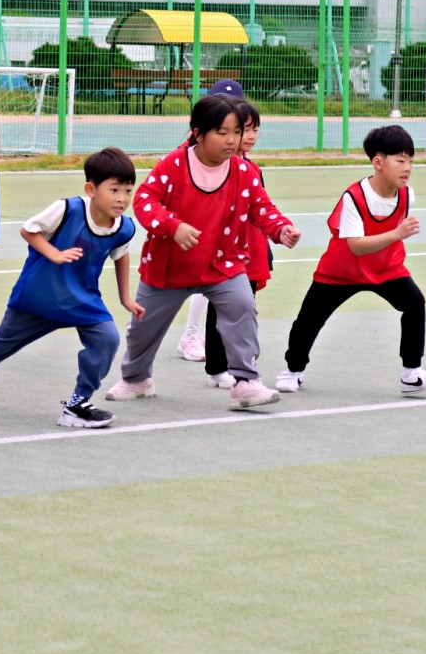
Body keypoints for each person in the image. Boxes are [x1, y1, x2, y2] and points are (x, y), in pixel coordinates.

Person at [105, 95, 300, 411]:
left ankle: (246, 383)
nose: (232, 140)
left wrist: (281, 229)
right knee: (144, 328)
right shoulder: (173, 165)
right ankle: (136, 378)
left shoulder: (244, 170)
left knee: (242, 305)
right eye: (222, 132)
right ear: (198, 132)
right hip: (169, 268)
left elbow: (261, 207)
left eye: (236, 132)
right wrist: (173, 226)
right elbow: (144, 201)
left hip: (222, 264)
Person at [0, 148, 142, 428]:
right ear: (91, 188)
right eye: (114, 189)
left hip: (83, 299)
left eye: (127, 190)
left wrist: (125, 297)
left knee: (107, 339)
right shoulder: (67, 209)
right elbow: (29, 229)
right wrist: (53, 253)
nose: (122, 198)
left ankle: (77, 404)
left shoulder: (124, 227)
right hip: (39, 296)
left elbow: (120, 253)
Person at [275, 125, 426, 398]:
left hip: (387, 268)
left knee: (415, 303)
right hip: (340, 272)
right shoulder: (353, 198)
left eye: (411, 161)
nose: (408, 167)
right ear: (378, 162)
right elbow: (356, 246)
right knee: (309, 320)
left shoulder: (406, 195)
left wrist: (395, 238)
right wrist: (396, 233)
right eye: (401, 160)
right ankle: (293, 371)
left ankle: (412, 374)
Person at [202, 99, 275, 389]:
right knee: (220, 309)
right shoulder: (217, 168)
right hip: (226, 249)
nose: (251, 136)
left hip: (252, 249)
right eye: (246, 129)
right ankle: (217, 366)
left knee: (244, 310)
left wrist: (270, 241)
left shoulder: (252, 168)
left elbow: (262, 210)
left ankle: (241, 367)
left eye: (255, 129)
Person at [175, 79, 245, 363]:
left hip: (222, 226)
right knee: (177, 286)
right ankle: (191, 335)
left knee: (224, 285)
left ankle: (208, 338)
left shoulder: (237, 147)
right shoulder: (193, 148)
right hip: (190, 226)